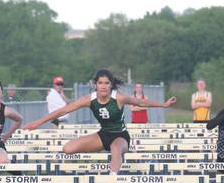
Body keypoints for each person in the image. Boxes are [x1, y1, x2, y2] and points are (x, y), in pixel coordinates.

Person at [26, 69, 176, 175]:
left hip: (120, 136)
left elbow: (141, 102)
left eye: (106, 83)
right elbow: (64, 110)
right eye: (100, 83)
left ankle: (112, 176)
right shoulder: (89, 99)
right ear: (95, 85)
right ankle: (103, 153)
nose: (103, 86)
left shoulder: (119, 98)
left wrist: (163, 104)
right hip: (103, 135)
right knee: (68, 148)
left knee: (116, 148)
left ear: (111, 85)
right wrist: (38, 122)